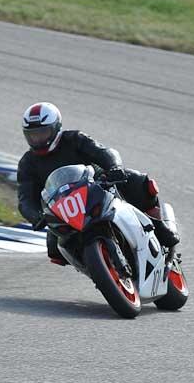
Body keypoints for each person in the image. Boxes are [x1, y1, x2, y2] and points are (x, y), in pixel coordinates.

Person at [16, 102, 180, 265]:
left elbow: (104, 152)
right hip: (65, 208)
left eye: (42, 133)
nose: (38, 139)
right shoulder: (27, 163)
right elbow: (25, 198)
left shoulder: (74, 139)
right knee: (55, 251)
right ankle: (95, 265)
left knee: (139, 182)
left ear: (56, 128)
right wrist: (35, 215)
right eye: (33, 135)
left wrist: (114, 167)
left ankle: (161, 228)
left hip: (97, 186)